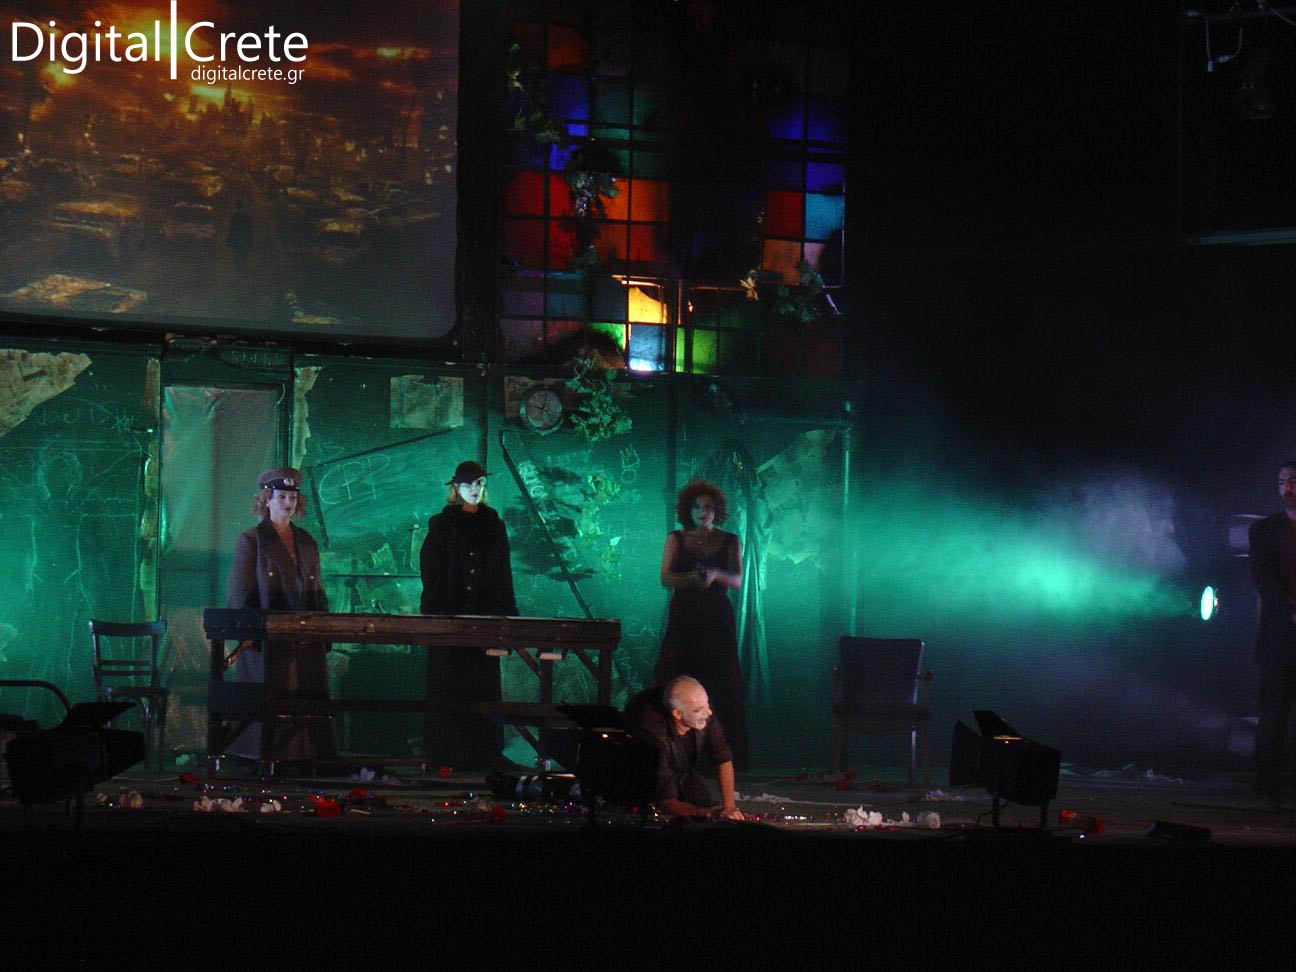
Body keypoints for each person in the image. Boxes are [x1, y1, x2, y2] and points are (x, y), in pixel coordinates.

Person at [225, 467, 336, 765]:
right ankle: (262, 756)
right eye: (282, 496)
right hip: (267, 638)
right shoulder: (252, 541)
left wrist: (325, 630)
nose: (288, 502)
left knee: (304, 691)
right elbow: (239, 591)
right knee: (271, 694)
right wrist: (250, 632)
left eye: (293, 497)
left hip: (304, 635)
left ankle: (303, 756)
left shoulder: (307, 542)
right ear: (267, 499)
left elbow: (317, 590)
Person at [418, 460, 517, 769]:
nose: (475, 489)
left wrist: (506, 616)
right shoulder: (442, 524)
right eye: (468, 484)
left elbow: (503, 571)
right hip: (451, 619)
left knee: (482, 685)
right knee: (449, 685)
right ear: (456, 488)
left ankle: (484, 754)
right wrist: (438, 610)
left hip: (485, 619)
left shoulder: (494, 523)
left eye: (479, 483)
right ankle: (446, 754)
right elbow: (430, 567)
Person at [654, 478, 748, 768]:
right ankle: (672, 751)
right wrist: (692, 579)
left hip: (717, 619)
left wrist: (715, 575)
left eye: (707, 507)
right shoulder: (676, 538)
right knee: (677, 674)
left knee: (720, 680)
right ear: (688, 510)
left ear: (716, 510)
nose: (702, 512)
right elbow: (665, 578)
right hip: (685, 616)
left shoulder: (730, 540)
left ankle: (719, 754)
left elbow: (737, 580)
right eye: (697, 506)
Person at [625, 676, 747, 820]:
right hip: (643, 778)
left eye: (707, 704)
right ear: (677, 713)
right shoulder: (649, 724)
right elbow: (665, 800)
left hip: (683, 774)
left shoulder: (701, 708)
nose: (709, 713)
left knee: (703, 801)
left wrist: (729, 807)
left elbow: (722, 756)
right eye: (699, 710)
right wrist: (708, 814)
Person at [1248, 459, 1296, 810]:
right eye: (1282, 482)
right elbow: (1264, 581)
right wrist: (1290, 611)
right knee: (1274, 714)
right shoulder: (1265, 531)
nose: (1286, 489)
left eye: (1293, 481)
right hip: (1280, 637)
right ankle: (1268, 787)